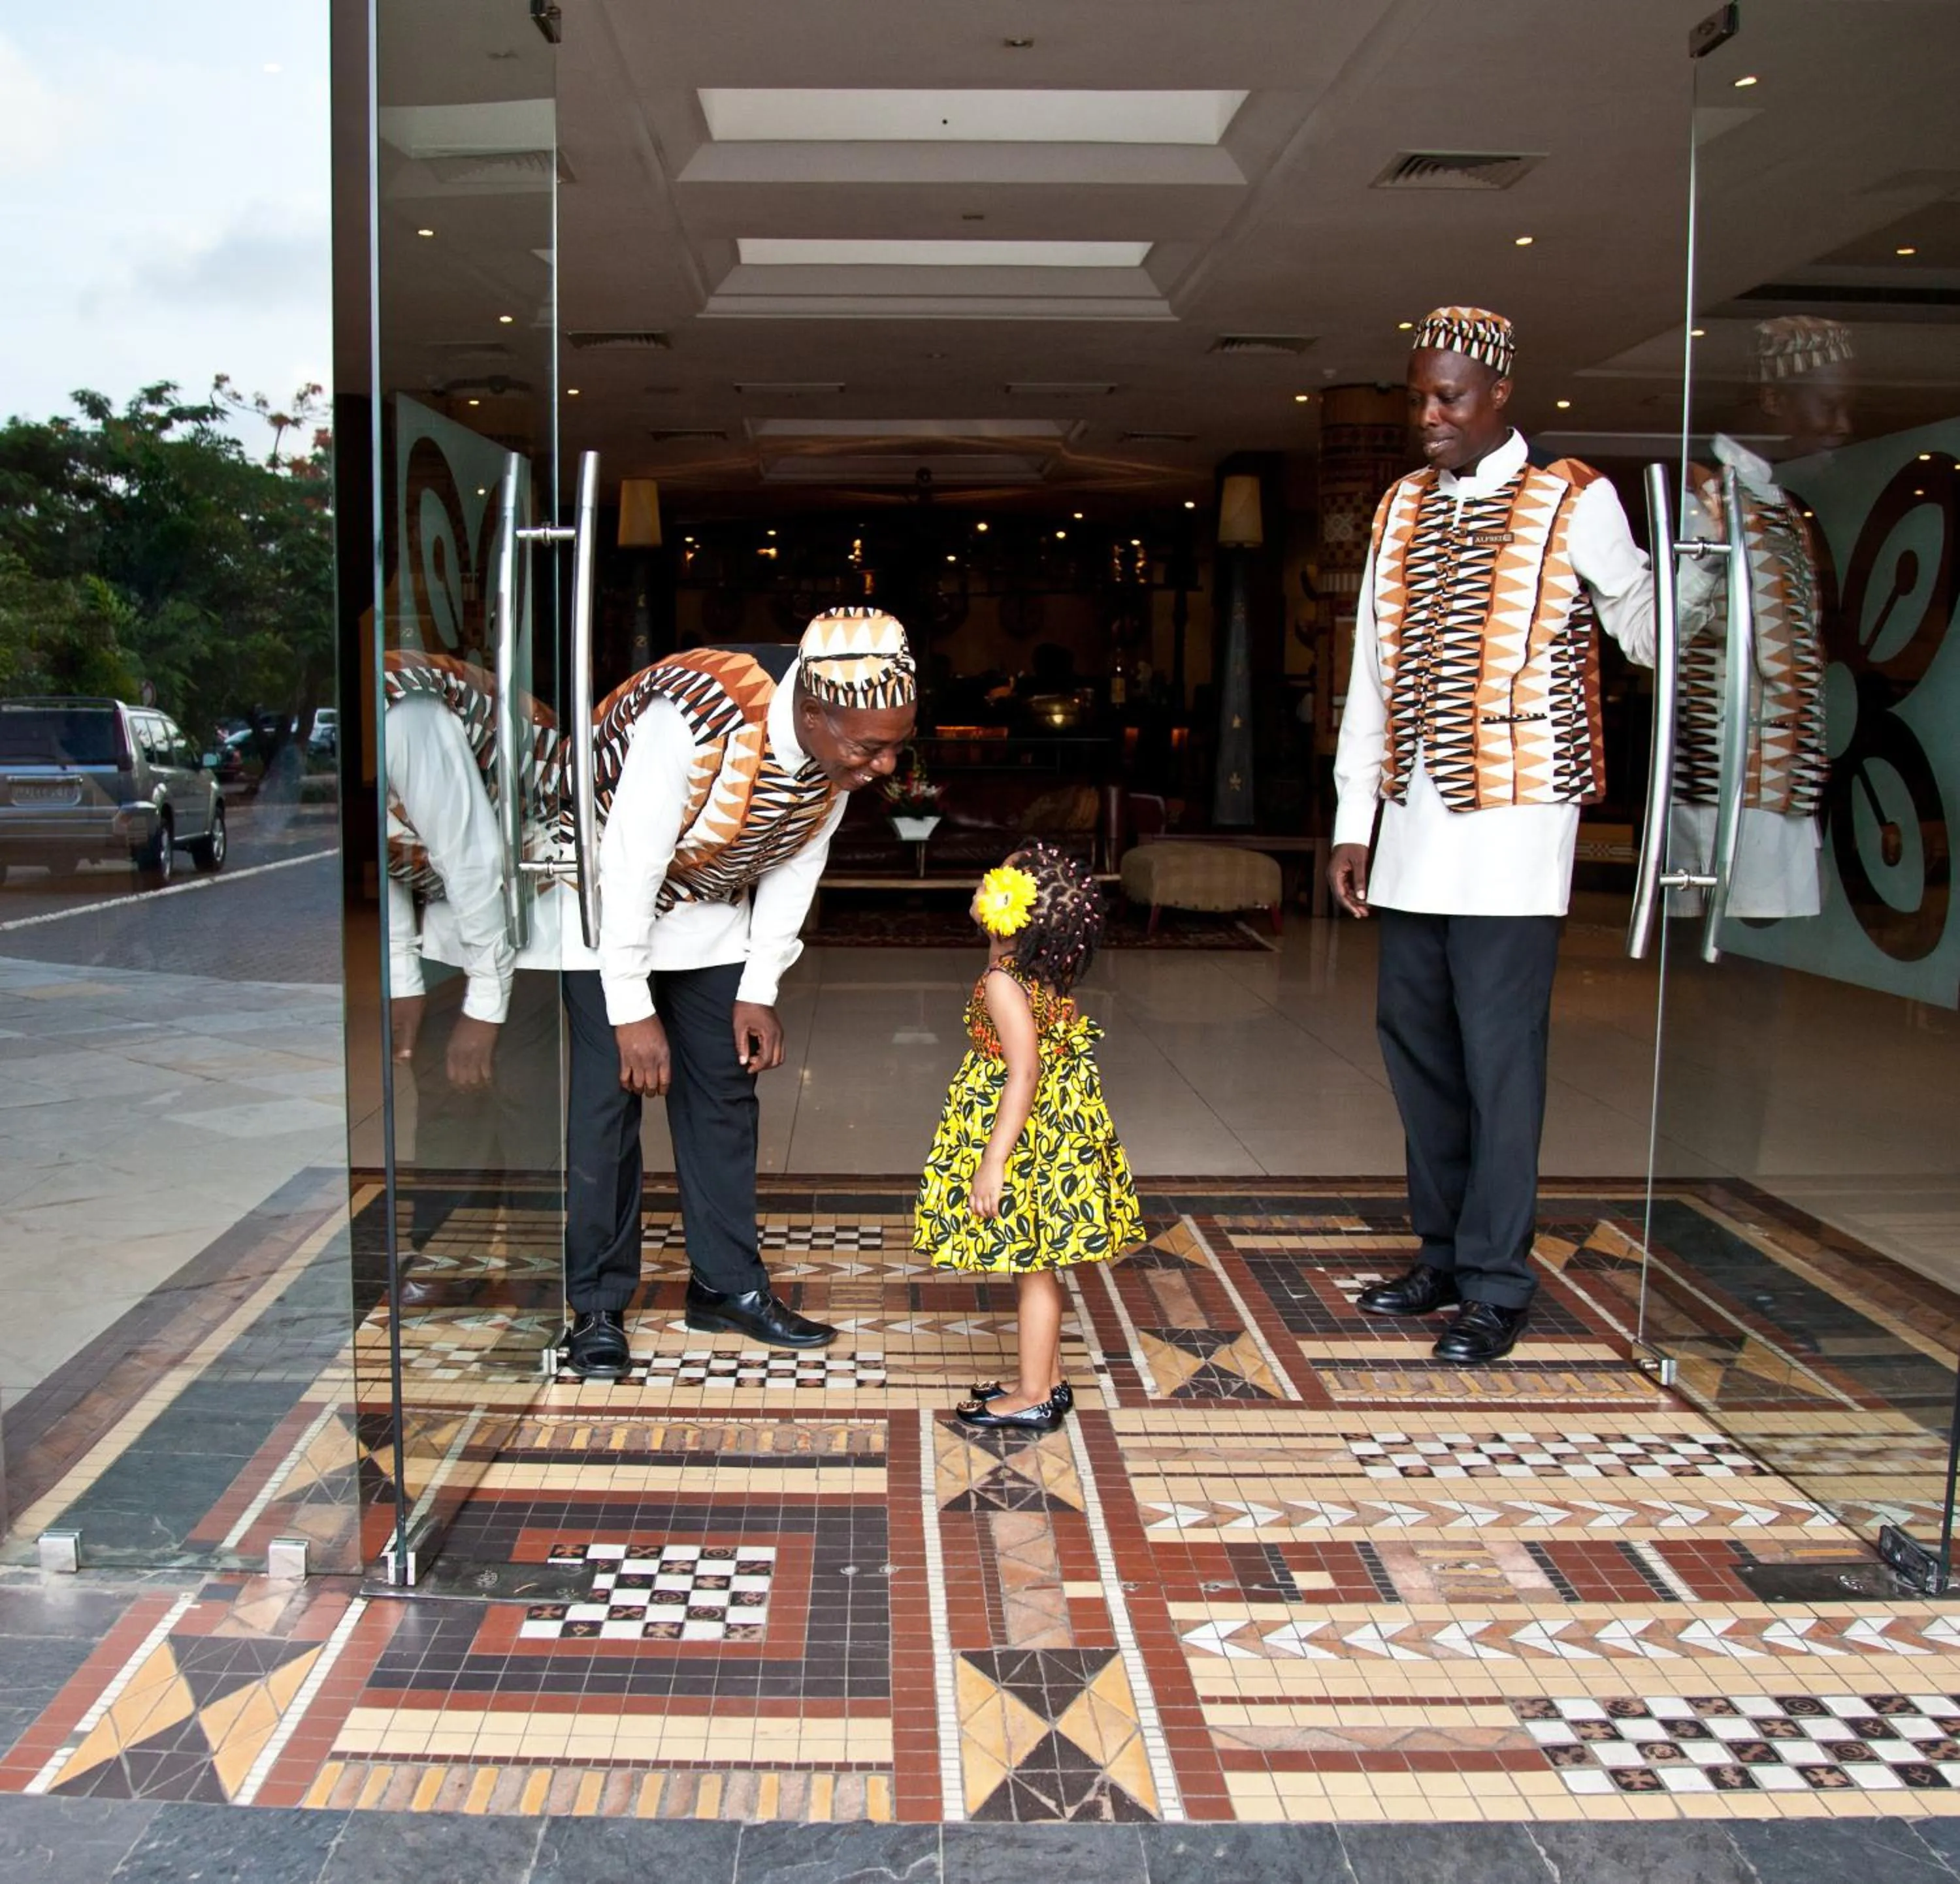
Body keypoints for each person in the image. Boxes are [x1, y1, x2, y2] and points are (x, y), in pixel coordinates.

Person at [1328, 306, 1656, 1365]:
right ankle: (1441, 1253)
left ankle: (1498, 1281)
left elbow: (1644, 628)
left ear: (1500, 394)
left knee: (1501, 1066)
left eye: (1448, 397)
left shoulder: (1575, 499)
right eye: (1419, 394)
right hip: (1415, 841)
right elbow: (1371, 679)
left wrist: (1691, 586)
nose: (1427, 414)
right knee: (1420, 1054)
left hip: (1514, 846)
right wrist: (1351, 823)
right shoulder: (1401, 508)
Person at [559, 608, 918, 1377]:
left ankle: (725, 1287)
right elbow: (628, 865)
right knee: (606, 1106)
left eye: (894, 746)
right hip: (601, 908)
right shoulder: (693, 719)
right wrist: (630, 1007)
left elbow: (797, 863)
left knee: (724, 1089)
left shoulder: (835, 757)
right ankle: (594, 1306)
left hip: (710, 909)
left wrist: (759, 986)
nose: (884, 766)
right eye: (870, 747)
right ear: (814, 714)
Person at [913, 843, 1141, 1431]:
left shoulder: (1003, 982)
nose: (983, 882)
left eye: (996, 879)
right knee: (1038, 1258)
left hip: (1026, 1137)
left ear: (1007, 911)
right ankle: (1050, 1378)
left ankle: (1034, 1397)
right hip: (1055, 1128)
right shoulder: (1040, 970)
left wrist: (993, 1162)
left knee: (1034, 1270)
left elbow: (1025, 1071)